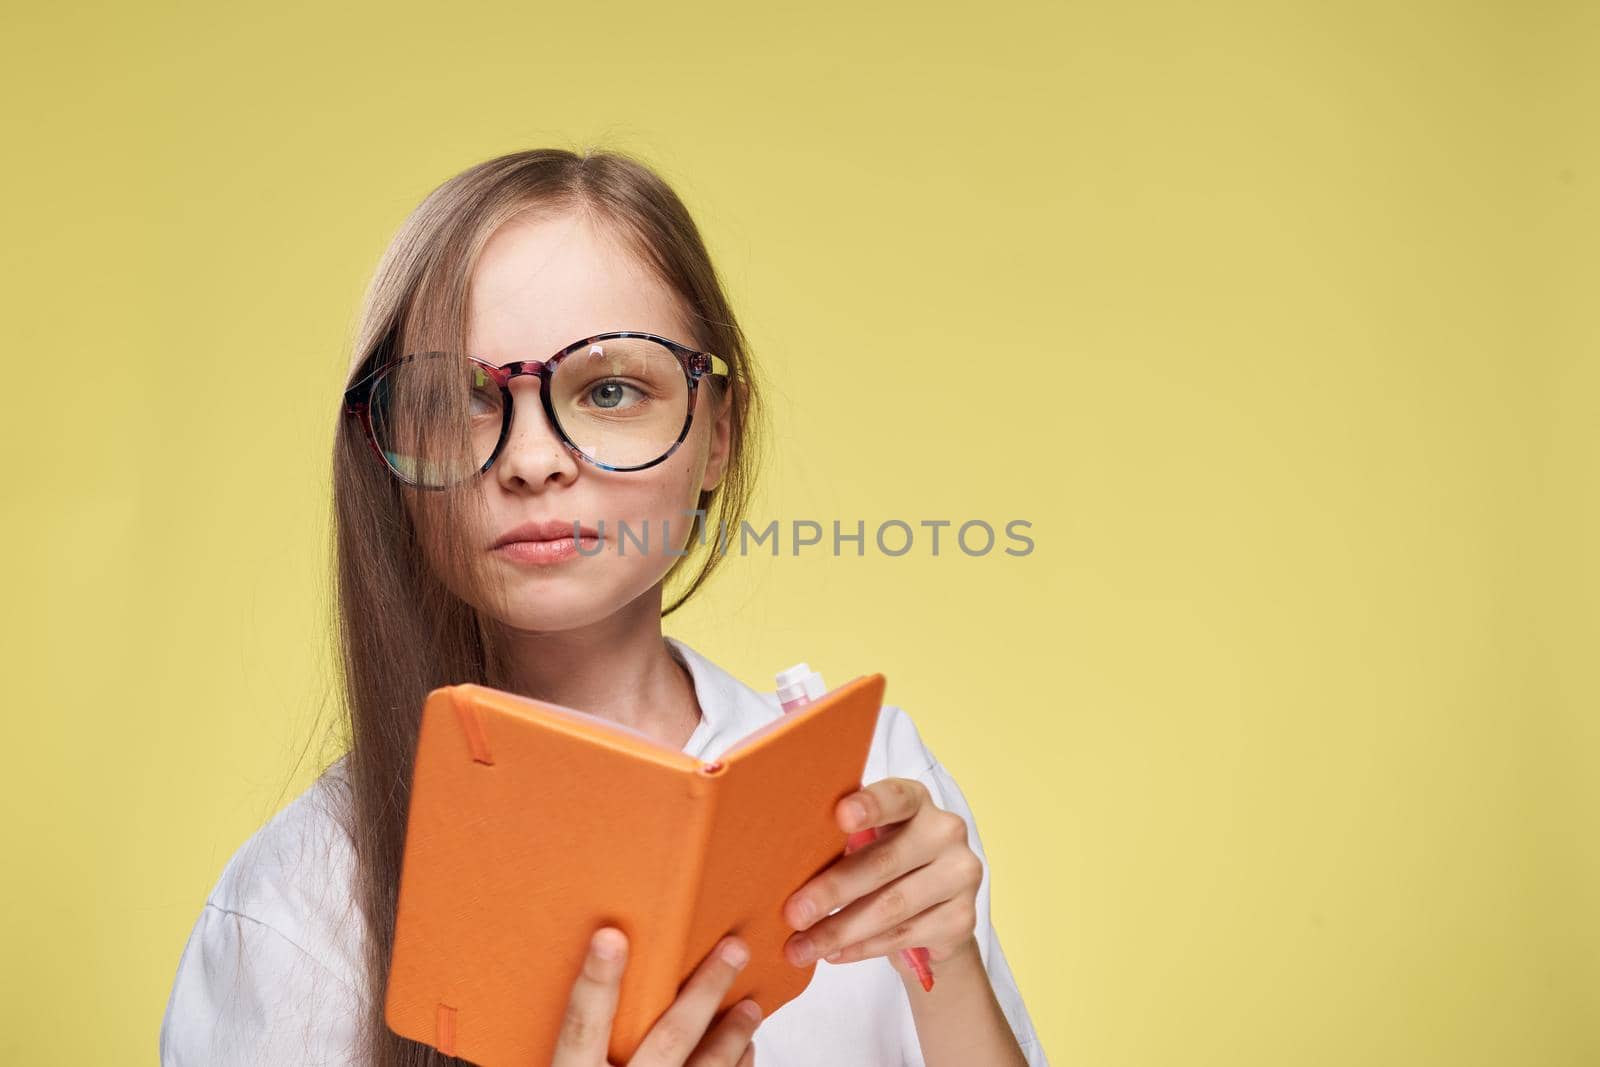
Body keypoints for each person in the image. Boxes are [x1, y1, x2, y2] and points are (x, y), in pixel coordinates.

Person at [158, 148, 1048, 1067]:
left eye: (611, 389)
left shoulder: (875, 789)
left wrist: (949, 964)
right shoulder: (298, 903)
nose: (532, 459)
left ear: (716, 439)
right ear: (385, 456)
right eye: (460, 399)